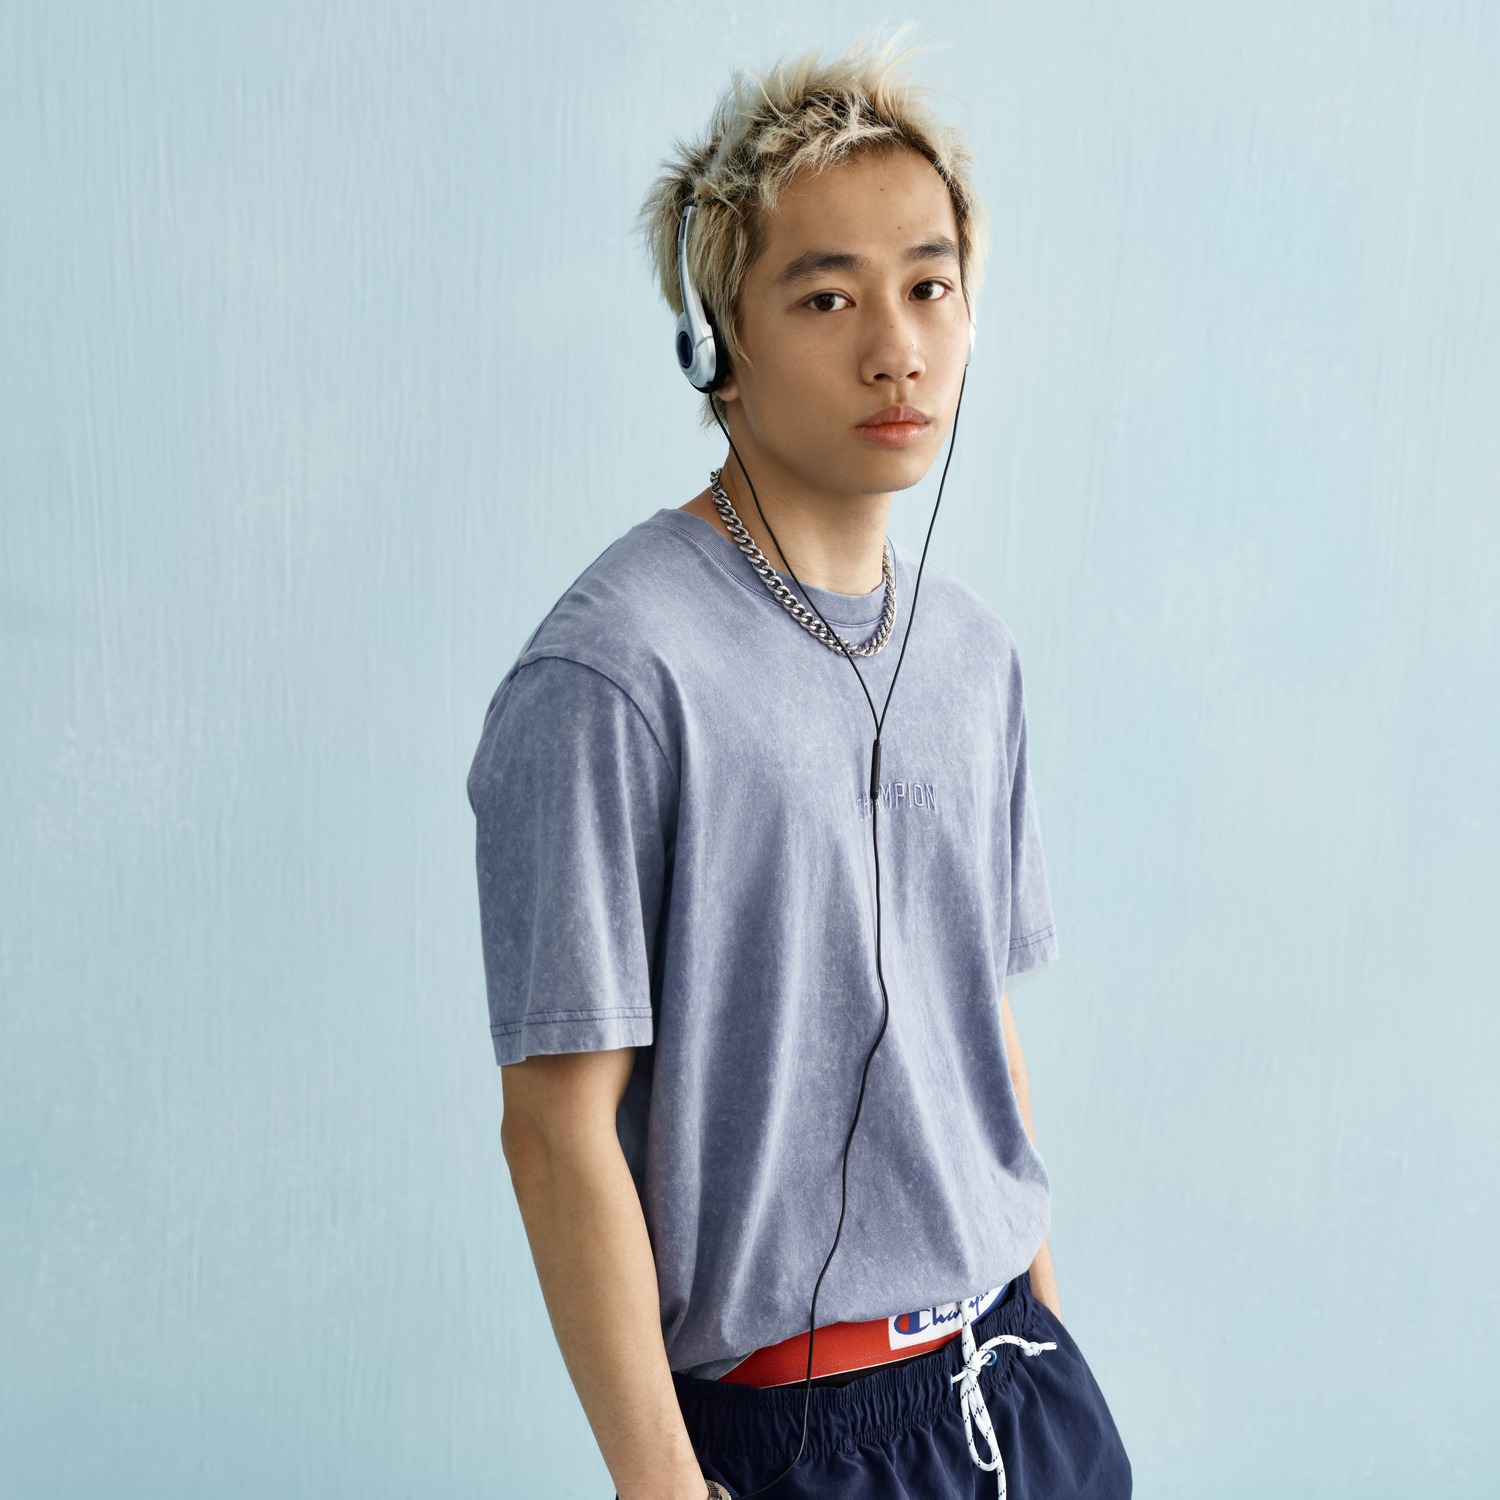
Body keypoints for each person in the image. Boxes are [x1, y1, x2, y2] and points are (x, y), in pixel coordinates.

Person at [466, 28, 1132, 1500]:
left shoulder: (973, 655)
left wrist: (1048, 1328)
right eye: (827, 296)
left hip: (1021, 1389)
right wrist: (661, 1486)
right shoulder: (613, 673)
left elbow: (974, 1021)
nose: (896, 346)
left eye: (929, 287)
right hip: (798, 1434)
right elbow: (556, 1127)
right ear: (718, 345)